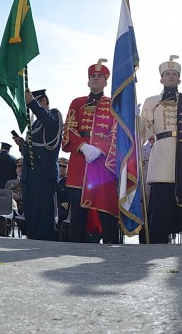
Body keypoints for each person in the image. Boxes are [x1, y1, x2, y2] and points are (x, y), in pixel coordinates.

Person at [139, 55, 182, 244]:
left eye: (174, 74)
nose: (171, 77)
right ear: (161, 79)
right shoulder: (151, 101)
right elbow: (143, 131)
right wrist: (134, 118)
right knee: (161, 205)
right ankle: (159, 243)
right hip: (161, 154)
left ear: (179, 79)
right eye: (167, 74)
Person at [62, 59, 119, 244]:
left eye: (99, 76)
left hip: (103, 163)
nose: (95, 79)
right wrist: (83, 147)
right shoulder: (77, 102)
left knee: (107, 211)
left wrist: (101, 149)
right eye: (92, 76)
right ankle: (75, 251)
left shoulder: (113, 104)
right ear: (88, 82)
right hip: (80, 160)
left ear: (105, 81)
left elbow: (117, 131)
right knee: (78, 215)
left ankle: (112, 251)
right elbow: (69, 129)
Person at [13, 88, 63, 241]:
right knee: (32, 213)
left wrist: (32, 103)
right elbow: (33, 149)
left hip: (44, 172)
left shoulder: (55, 115)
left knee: (44, 215)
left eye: (36, 102)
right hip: (30, 174)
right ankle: (33, 241)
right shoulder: (34, 125)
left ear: (43, 101)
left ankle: (45, 246)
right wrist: (23, 145)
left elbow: (50, 124)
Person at [55, 157, 70, 240]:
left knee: (62, 215)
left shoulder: (68, 182)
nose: (61, 168)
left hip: (62, 207)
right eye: (59, 165)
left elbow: (69, 198)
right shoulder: (52, 179)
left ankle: (60, 238)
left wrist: (60, 206)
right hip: (51, 205)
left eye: (64, 167)